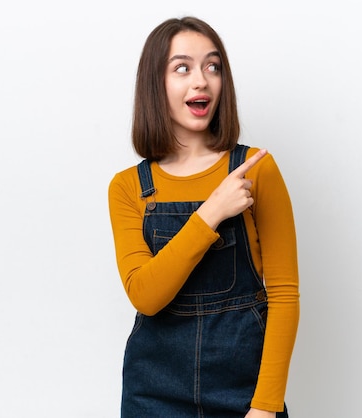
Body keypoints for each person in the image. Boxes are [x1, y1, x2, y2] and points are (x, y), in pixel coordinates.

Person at [108, 16, 299, 418]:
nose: (202, 81)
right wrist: (211, 212)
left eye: (213, 66)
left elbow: (284, 295)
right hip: (153, 394)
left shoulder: (255, 169)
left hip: (243, 391)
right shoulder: (127, 188)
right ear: (154, 84)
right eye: (183, 68)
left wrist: (265, 407)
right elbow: (146, 295)